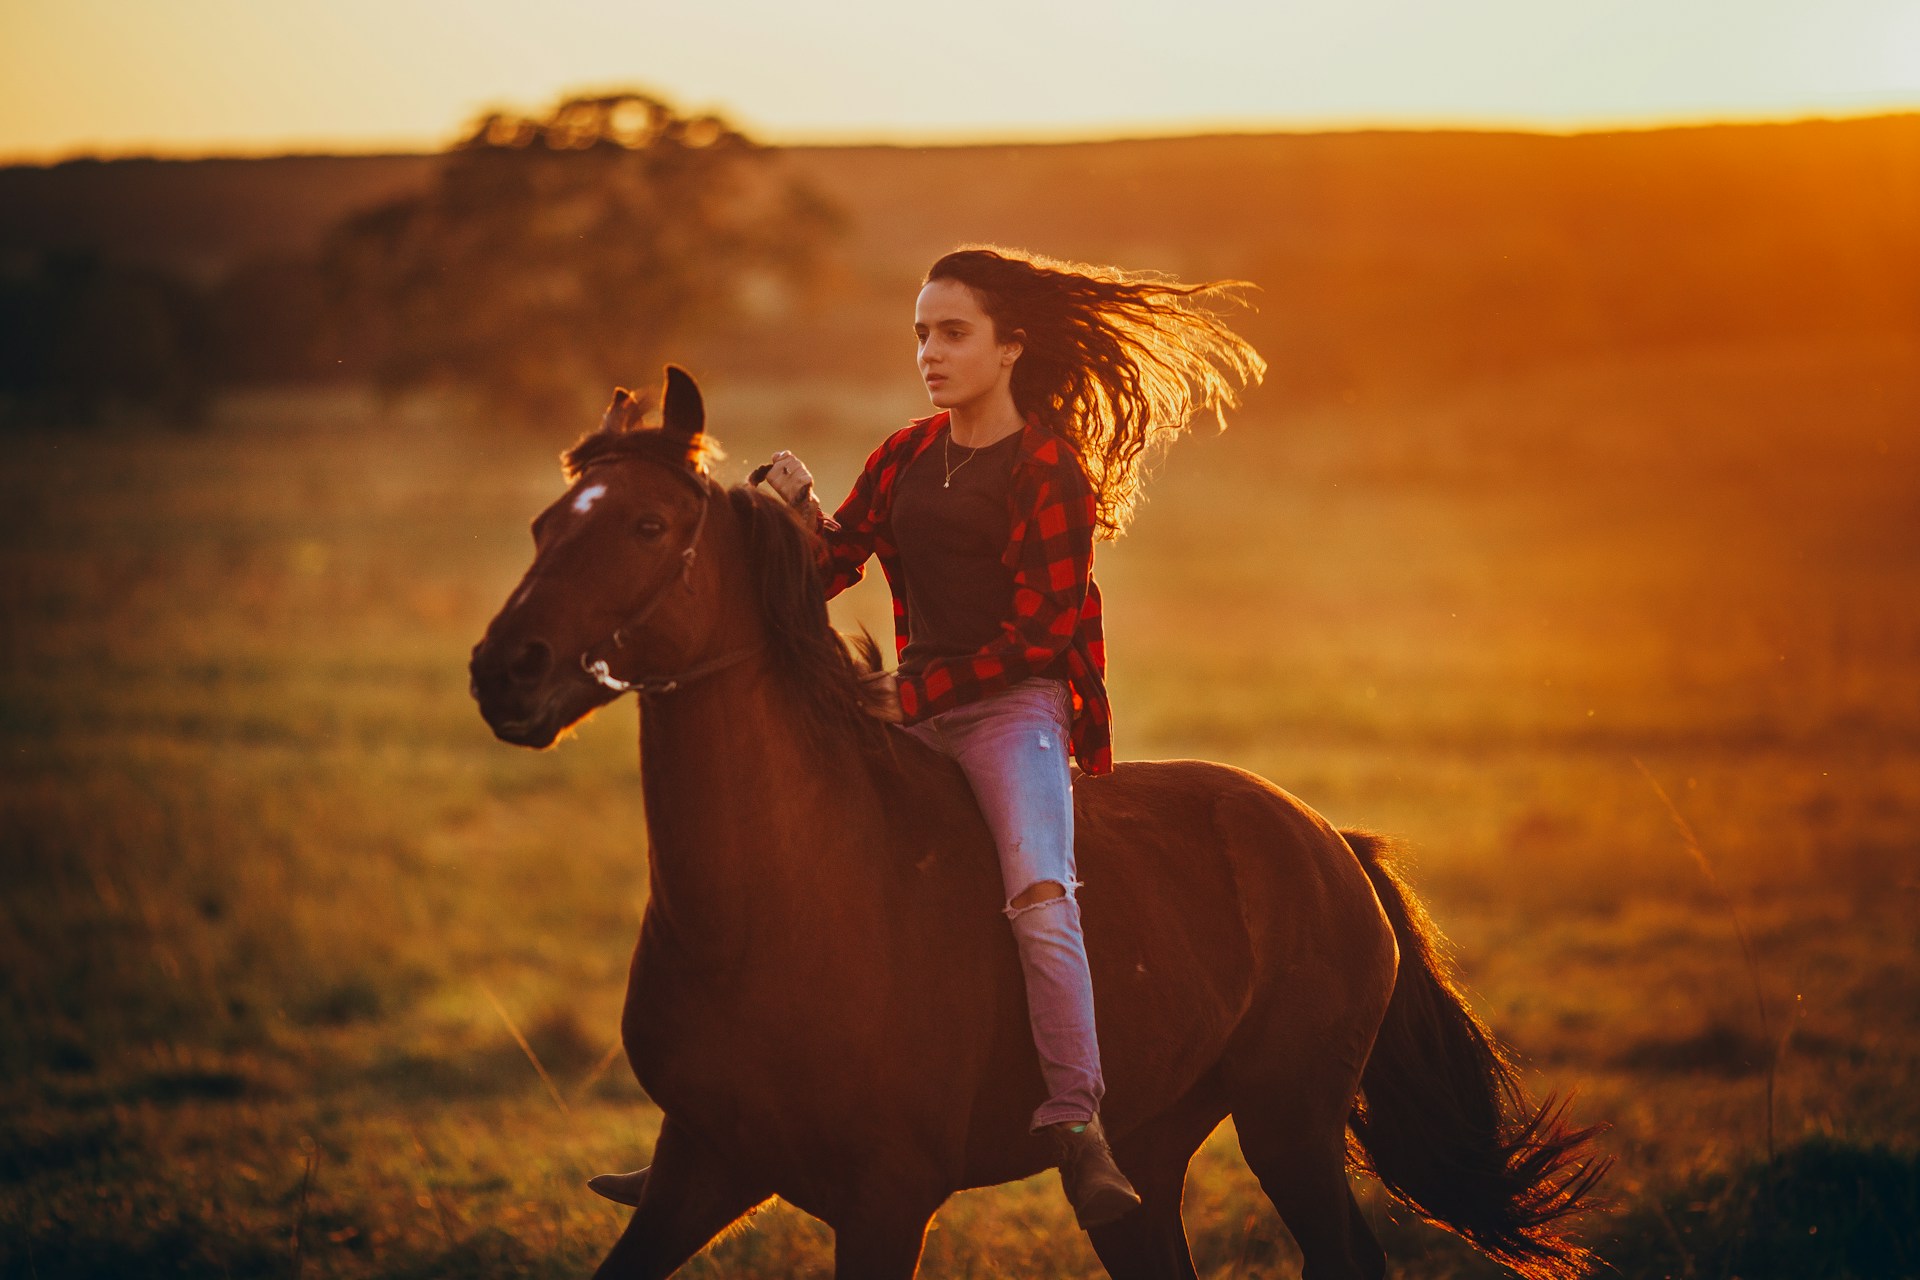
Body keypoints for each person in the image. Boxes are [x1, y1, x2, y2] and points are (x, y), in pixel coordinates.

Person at [758, 246, 1265, 1230]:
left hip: (1012, 716)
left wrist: (916, 694)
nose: (931, 353)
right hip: (914, 708)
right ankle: (728, 1129)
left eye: (953, 333)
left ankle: (1076, 1122)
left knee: (1038, 895)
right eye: (921, 333)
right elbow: (833, 565)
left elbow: (1042, 633)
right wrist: (794, 513)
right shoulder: (906, 453)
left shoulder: (1047, 468)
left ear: (1010, 347)